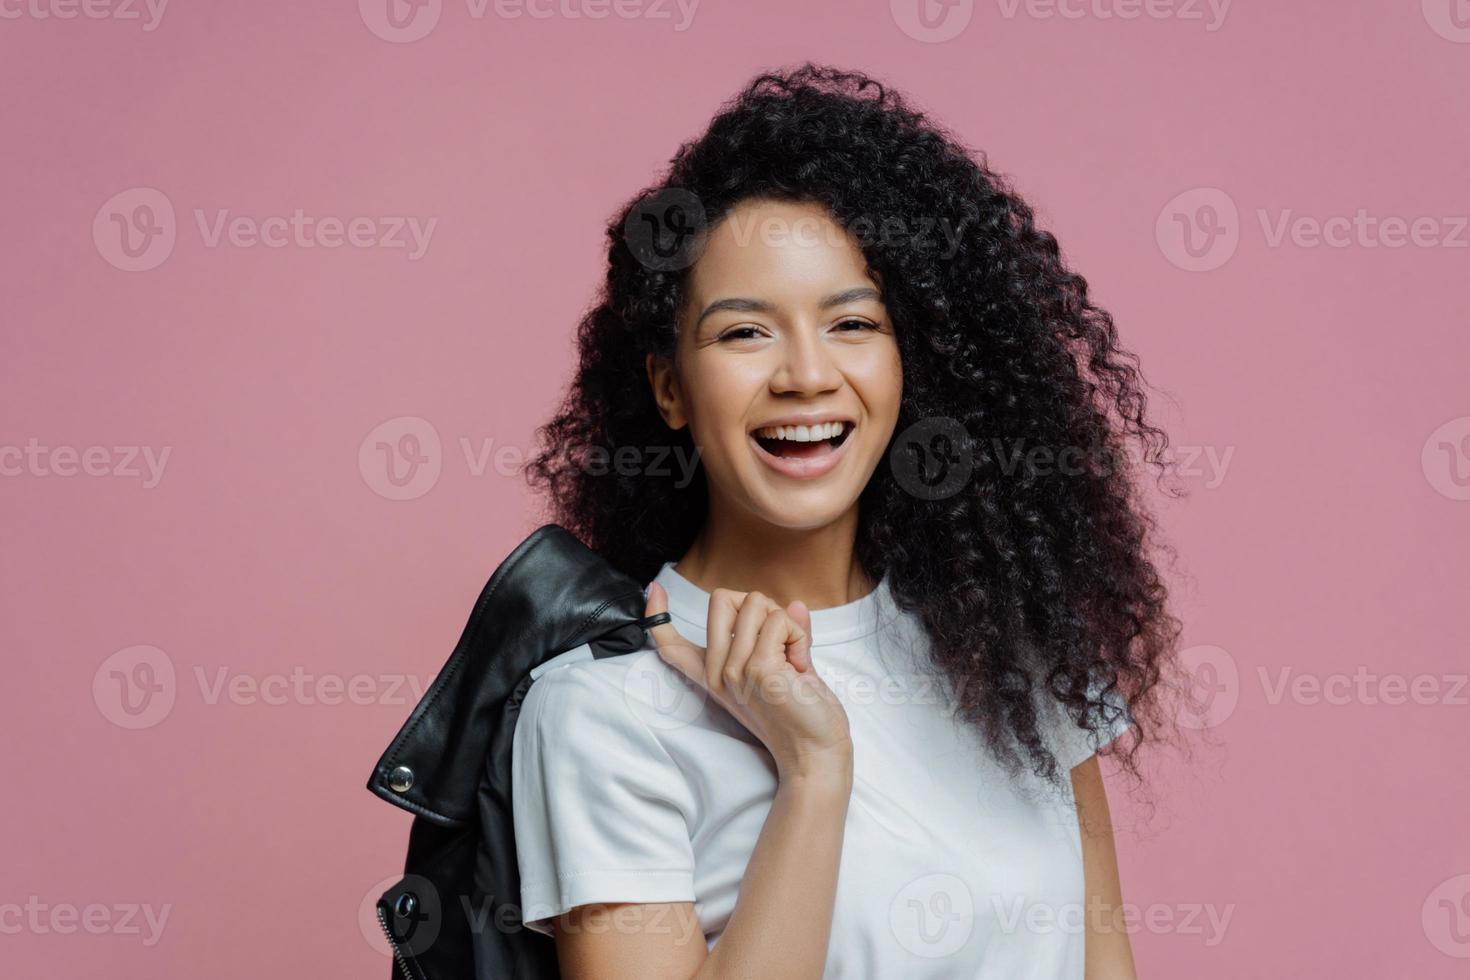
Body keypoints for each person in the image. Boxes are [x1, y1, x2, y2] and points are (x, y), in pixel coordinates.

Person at [513, 63, 1181, 979]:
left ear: (915, 363)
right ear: (670, 385)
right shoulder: (601, 713)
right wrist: (813, 775)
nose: (804, 376)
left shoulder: (1011, 642)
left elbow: (1104, 965)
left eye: (852, 325)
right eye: (744, 332)